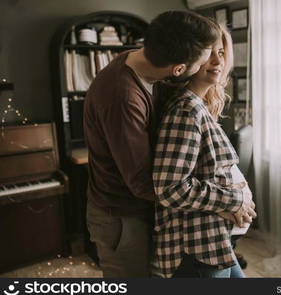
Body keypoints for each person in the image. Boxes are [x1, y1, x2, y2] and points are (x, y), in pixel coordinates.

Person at [83, 11, 221, 277]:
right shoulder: (122, 97)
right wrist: (221, 201)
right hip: (121, 218)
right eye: (204, 60)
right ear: (179, 69)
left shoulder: (142, 59)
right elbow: (143, 182)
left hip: (142, 209)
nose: (210, 64)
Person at [152, 26, 256, 278]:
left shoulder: (198, 106)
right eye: (209, 52)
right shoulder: (186, 111)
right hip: (196, 250)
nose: (218, 60)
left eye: (221, 52)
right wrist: (233, 201)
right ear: (189, 58)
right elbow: (170, 189)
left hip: (216, 242)